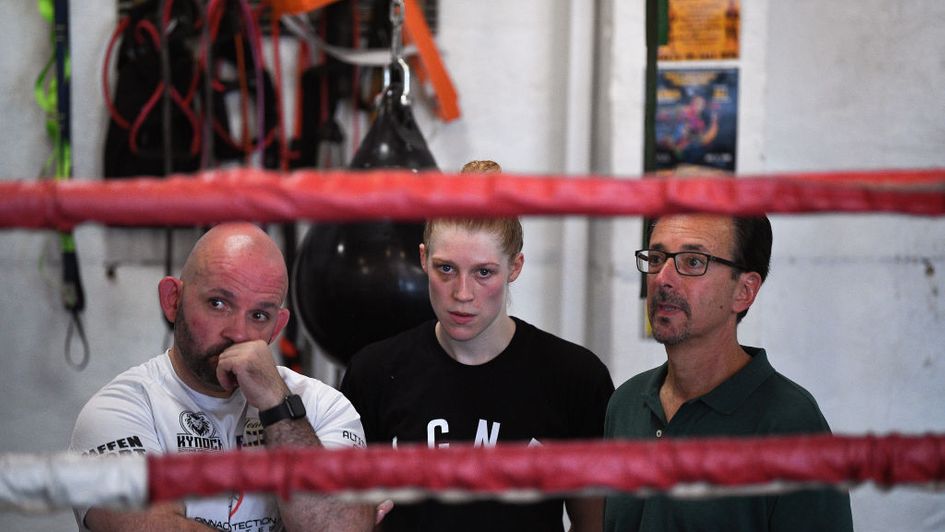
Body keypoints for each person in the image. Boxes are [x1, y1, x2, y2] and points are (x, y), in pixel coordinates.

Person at [341, 161, 615, 532]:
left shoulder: (574, 379)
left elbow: (592, 525)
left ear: (514, 267)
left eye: (483, 272)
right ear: (423, 259)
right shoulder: (373, 373)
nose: (462, 294)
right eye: (446, 269)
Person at [69, 222, 374, 532]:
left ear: (277, 327)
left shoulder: (324, 406)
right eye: (218, 303)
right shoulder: (117, 412)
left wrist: (277, 405)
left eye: (259, 315)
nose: (239, 333)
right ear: (173, 300)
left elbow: (341, 526)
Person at [603, 214, 854, 531]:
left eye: (693, 262)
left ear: (744, 291)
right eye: (656, 258)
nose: (662, 278)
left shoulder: (793, 427)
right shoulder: (626, 404)